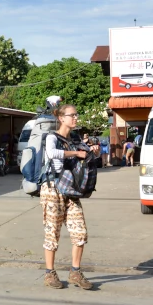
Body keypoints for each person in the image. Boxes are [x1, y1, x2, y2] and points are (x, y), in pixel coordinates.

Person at [41, 104, 95, 290]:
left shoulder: (74, 140)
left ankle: (75, 272)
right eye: (72, 115)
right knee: (52, 232)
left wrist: (88, 152)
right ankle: (49, 274)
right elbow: (51, 153)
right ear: (61, 118)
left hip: (71, 190)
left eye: (76, 115)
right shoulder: (51, 137)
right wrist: (75, 153)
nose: (75, 118)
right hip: (52, 189)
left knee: (80, 232)